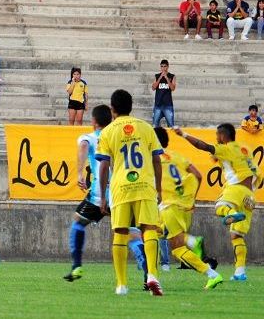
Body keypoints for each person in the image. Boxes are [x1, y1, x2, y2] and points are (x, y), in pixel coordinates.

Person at [96, 89, 165, 296]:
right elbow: (157, 160)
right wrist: (159, 188)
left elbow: (103, 165)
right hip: (144, 185)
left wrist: (102, 196)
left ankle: (122, 285)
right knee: (149, 229)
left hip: (121, 187)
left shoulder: (108, 131)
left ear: (112, 109)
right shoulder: (146, 127)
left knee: (120, 232)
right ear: (131, 107)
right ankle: (152, 275)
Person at [173, 123, 257, 282]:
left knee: (220, 207)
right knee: (236, 235)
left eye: (217, 135)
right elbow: (256, 172)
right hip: (249, 195)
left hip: (236, 188)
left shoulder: (225, 148)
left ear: (223, 136)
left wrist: (183, 134)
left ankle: (232, 213)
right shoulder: (245, 149)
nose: (216, 138)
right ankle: (240, 272)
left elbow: (202, 145)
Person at [153, 128, 223, 289]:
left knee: (175, 247)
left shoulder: (153, 159)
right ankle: (211, 274)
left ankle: (193, 243)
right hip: (184, 206)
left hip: (169, 207)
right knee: (159, 234)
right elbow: (198, 175)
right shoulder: (177, 156)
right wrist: (192, 200)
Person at [62, 104, 112, 282]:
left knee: (78, 222)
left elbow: (83, 146)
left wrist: (79, 173)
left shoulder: (90, 137)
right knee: (132, 232)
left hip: (99, 193)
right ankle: (149, 276)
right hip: (121, 191)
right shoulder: (117, 137)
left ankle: (77, 266)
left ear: (94, 121)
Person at [151, 59, 176, 127]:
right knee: (155, 125)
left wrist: (166, 78)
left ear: (167, 67)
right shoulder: (157, 76)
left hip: (168, 104)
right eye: (162, 66)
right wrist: (160, 78)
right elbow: (153, 88)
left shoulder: (172, 76)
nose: (163, 68)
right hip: (158, 104)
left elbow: (173, 88)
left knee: (171, 125)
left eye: (165, 66)